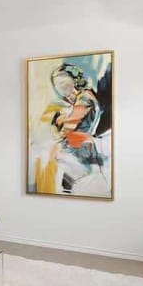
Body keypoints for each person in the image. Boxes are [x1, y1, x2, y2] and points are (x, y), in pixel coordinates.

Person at [41, 63, 108, 194]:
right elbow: (59, 132)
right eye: (56, 82)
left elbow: (67, 129)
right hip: (74, 164)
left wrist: (59, 122)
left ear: (75, 79)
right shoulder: (71, 104)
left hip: (83, 165)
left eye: (62, 78)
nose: (59, 84)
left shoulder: (85, 98)